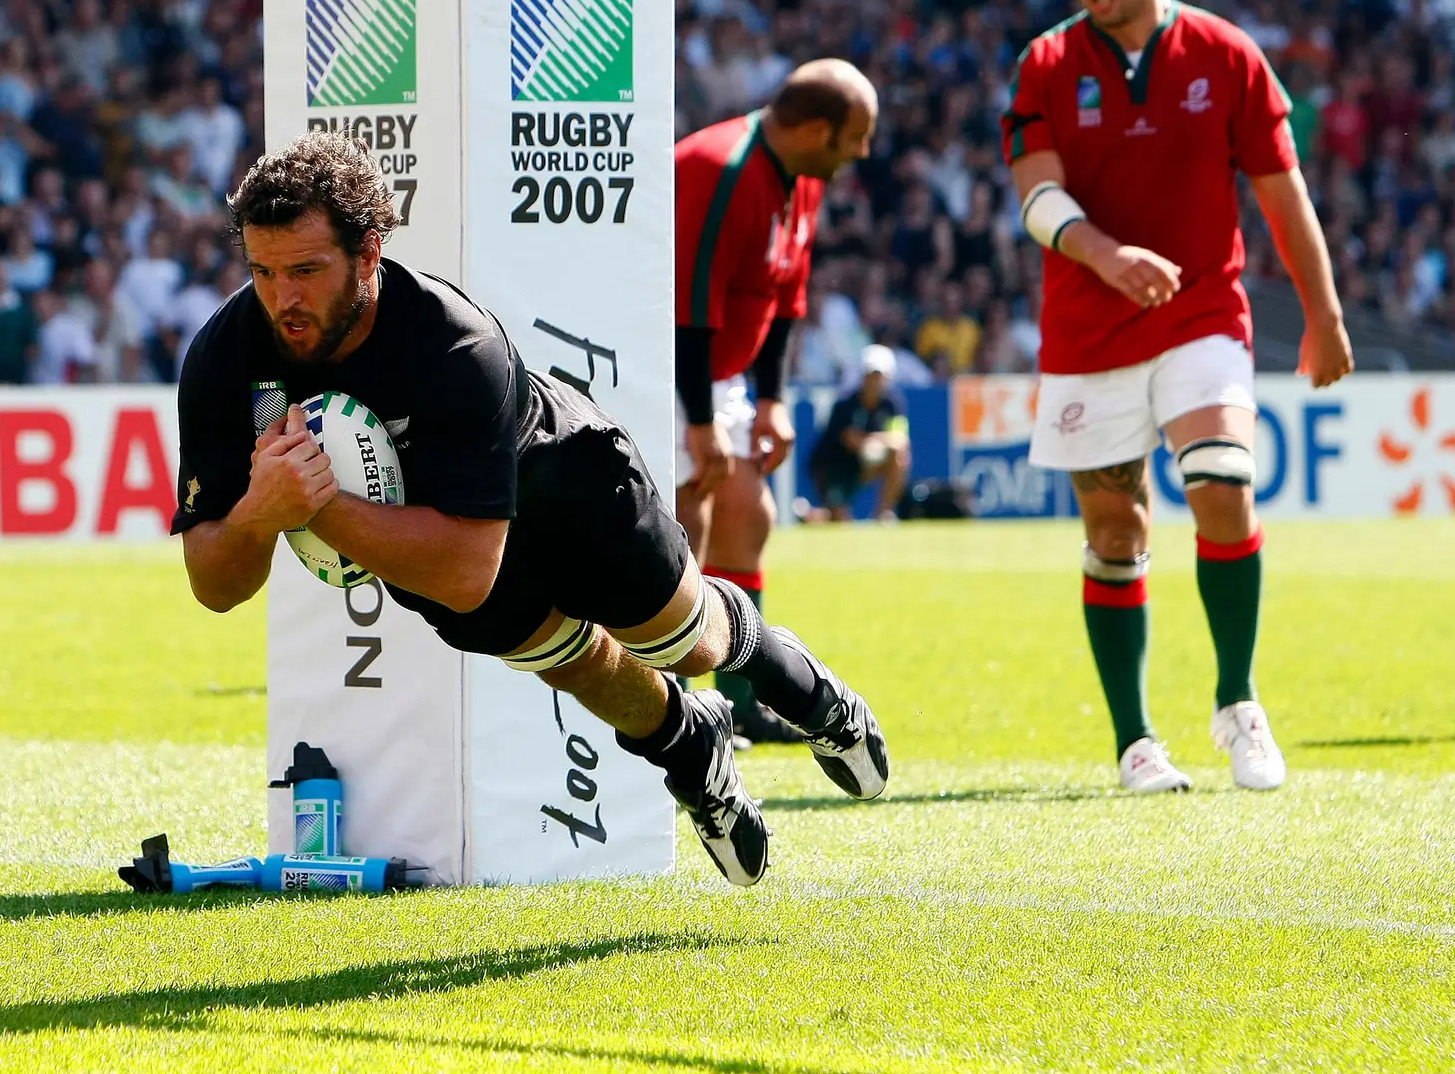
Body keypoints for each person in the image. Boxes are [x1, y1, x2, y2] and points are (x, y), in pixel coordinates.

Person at [174, 133, 891, 887]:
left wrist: (314, 508)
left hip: (566, 487)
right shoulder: (225, 357)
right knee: (577, 666)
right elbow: (215, 585)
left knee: (684, 641)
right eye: (263, 271)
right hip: (426, 538)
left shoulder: (451, 340)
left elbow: (465, 574)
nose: (283, 297)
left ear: (369, 253)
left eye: (307, 270)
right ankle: (691, 747)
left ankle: (805, 690)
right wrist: (260, 512)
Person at [1001, 0, 1352, 794]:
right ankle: (1135, 743)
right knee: (1116, 527)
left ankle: (1238, 703)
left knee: (1222, 486)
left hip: (1201, 312)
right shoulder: (1044, 62)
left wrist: (1326, 312)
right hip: (1088, 328)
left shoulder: (1226, 54)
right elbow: (1038, 197)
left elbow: (1283, 193)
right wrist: (1107, 255)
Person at [673, 58, 877, 743]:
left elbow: (783, 298)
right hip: (665, 366)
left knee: (747, 514)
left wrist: (770, 401)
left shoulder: (801, 178)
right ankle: (676, 707)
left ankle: (738, 703)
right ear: (817, 129)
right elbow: (686, 309)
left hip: (718, 378)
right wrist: (700, 423)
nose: (863, 153)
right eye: (857, 137)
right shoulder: (719, 170)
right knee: (687, 517)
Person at [808, 345, 911, 523]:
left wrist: (874, 443)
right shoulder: (845, 404)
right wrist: (880, 441)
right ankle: (810, 516)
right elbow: (850, 439)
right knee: (839, 520)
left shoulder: (892, 404)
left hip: (863, 465)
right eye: (870, 375)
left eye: (879, 376)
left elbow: (900, 439)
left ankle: (883, 514)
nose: (874, 381)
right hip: (834, 467)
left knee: (900, 457)